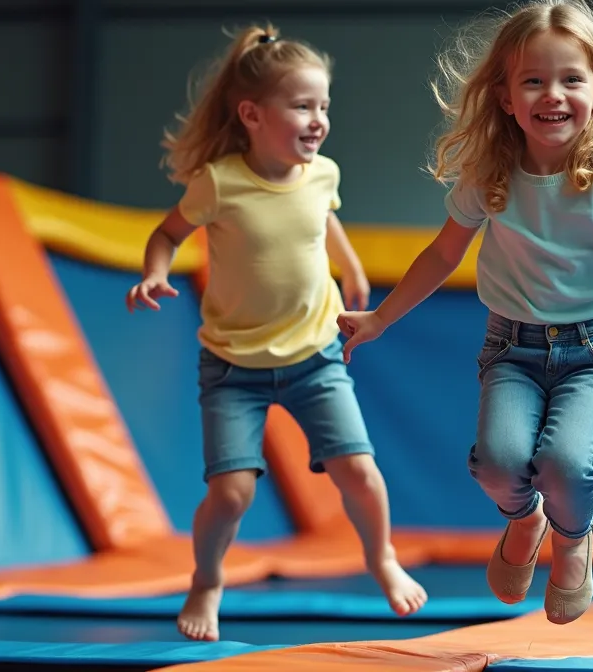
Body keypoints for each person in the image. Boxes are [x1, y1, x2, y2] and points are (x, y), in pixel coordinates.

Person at [335, 0, 593, 625]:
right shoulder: (491, 174)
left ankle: (573, 539)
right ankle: (525, 520)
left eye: (570, 79)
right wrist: (379, 319)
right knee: (500, 463)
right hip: (513, 347)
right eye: (533, 80)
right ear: (505, 96)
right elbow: (441, 254)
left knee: (564, 463)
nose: (552, 95)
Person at [124, 23, 428, 642]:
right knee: (232, 493)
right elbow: (166, 235)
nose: (318, 120)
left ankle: (382, 558)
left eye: (324, 107)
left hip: (315, 356)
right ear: (252, 114)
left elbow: (323, 218)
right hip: (233, 367)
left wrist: (350, 265)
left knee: (361, 474)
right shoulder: (220, 183)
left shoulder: (323, 174)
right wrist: (154, 274)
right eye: (302, 106)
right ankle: (207, 579)